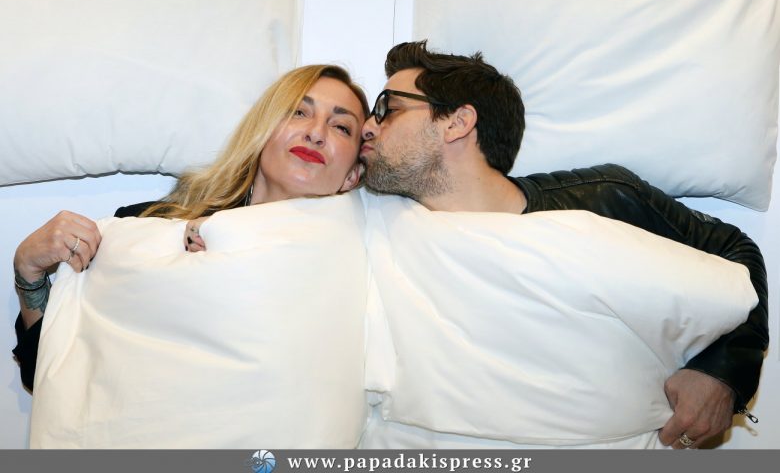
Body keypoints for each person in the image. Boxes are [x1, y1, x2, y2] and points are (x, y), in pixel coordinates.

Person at [359, 40, 768, 449]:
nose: (369, 127)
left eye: (388, 109)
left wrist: (723, 372)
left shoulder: (604, 200)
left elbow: (735, 253)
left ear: (457, 122)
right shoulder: (385, 221)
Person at [12, 64, 369, 391]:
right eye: (298, 112)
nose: (316, 133)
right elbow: (49, 374)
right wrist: (29, 274)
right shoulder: (147, 226)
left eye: (341, 127)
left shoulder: (359, 270)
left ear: (352, 176)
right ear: (264, 129)